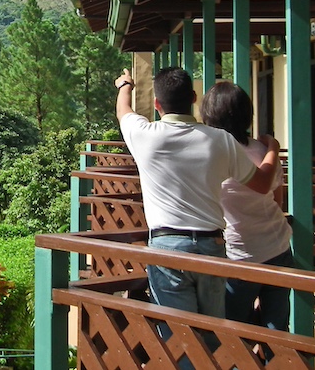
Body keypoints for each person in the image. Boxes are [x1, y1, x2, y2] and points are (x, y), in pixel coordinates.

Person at [115, 67, 280, 325]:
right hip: (211, 247)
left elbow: (123, 110)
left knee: (179, 335)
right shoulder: (221, 140)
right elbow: (262, 184)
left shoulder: (144, 135)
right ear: (193, 98)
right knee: (213, 334)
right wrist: (273, 148)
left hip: (167, 248)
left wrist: (125, 84)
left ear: (157, 103)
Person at [200, 81, 293, 340]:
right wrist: (273, 147)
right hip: (279, 247)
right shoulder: (264, 152)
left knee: (234, 334)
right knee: (277, 332)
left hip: (240, 256)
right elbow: (278, 201)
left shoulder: (212, 157)